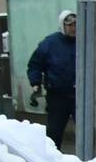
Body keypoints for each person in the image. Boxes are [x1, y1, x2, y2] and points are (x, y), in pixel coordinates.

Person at [27, 10, 78, 150]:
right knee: (54, 133)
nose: (74, 28)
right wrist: (35, 82)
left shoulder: (85, 42)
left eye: (76, 25)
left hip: (81, 96)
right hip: (58, 95)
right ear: (62, 26)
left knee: (86, 131)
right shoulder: (50, 43)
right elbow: (35, 64)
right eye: (70, 25)